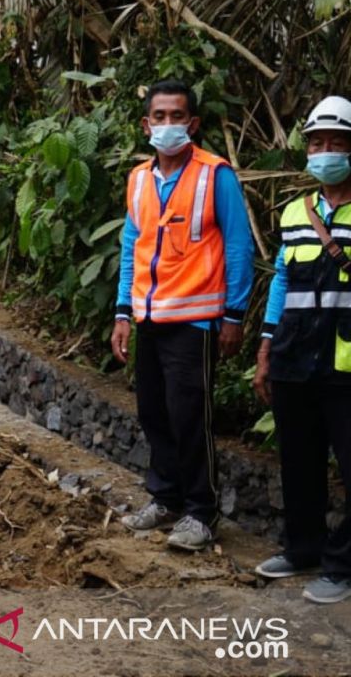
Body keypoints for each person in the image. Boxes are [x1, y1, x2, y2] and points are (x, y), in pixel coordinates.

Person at [111, 79, 254, 551]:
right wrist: (122, 313)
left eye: (177, 116)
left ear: (192, 123)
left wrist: (234, 314)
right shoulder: (138, 179)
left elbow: (237, 245)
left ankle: (201, 510)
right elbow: (132, 247)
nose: (168, 124)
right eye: (159, 116)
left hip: (195, 321)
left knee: (190, 416)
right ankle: (165, 497)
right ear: (145, 123)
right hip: (150, 319)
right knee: (154, 412)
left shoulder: (216, 175)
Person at [251, 96, 351, 605]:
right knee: (299, 462)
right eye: (317, 144)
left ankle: (341, 565)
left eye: (336, 143)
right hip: (295, 358)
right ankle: (303, 549)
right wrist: (266, 346)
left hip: (346, 366)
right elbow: (282, 281)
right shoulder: (297, 212)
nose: (325, 152)